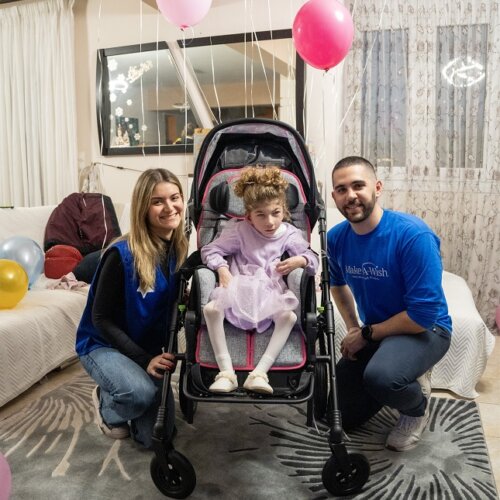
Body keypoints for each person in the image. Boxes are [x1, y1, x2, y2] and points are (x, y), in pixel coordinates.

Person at [327, 156, 452, 452]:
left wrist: (366, 334)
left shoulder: (413, 235)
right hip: (377, 329)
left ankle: (416, 407)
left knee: (382, 378)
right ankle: (396, 373)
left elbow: (422, 315)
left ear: (377, 187)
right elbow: (337, 284)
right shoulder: (336, 238)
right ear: (334, 196)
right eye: (342, 189)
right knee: (336, 415)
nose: (351, 195)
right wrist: (354, 328)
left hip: (426, 329)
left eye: (358, 185)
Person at [75, 168, 188, 448]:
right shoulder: (121, 254)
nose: (169, 207)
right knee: (138, 395)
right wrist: (144, 359)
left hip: (144, 346)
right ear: (143, 208)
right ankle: (107, 404)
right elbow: (100, 318)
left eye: (174, 197)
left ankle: (131, 394)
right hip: (103, 345)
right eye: (157, 201)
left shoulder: (178, 250)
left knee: (156, 439)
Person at [201, 166, 319, 394]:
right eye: (261, 215)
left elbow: (313, 259)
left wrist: (300, 260)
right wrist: (222, 268)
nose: (270, 222)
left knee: (288, 316)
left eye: (276, 213)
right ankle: (226, 373)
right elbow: (210, 250)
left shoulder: (288, 233)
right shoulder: (240, 230)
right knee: (212, 309)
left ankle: (259, 373)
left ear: (284, 209)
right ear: (249, 216)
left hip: (268, 290)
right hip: (238, 286)